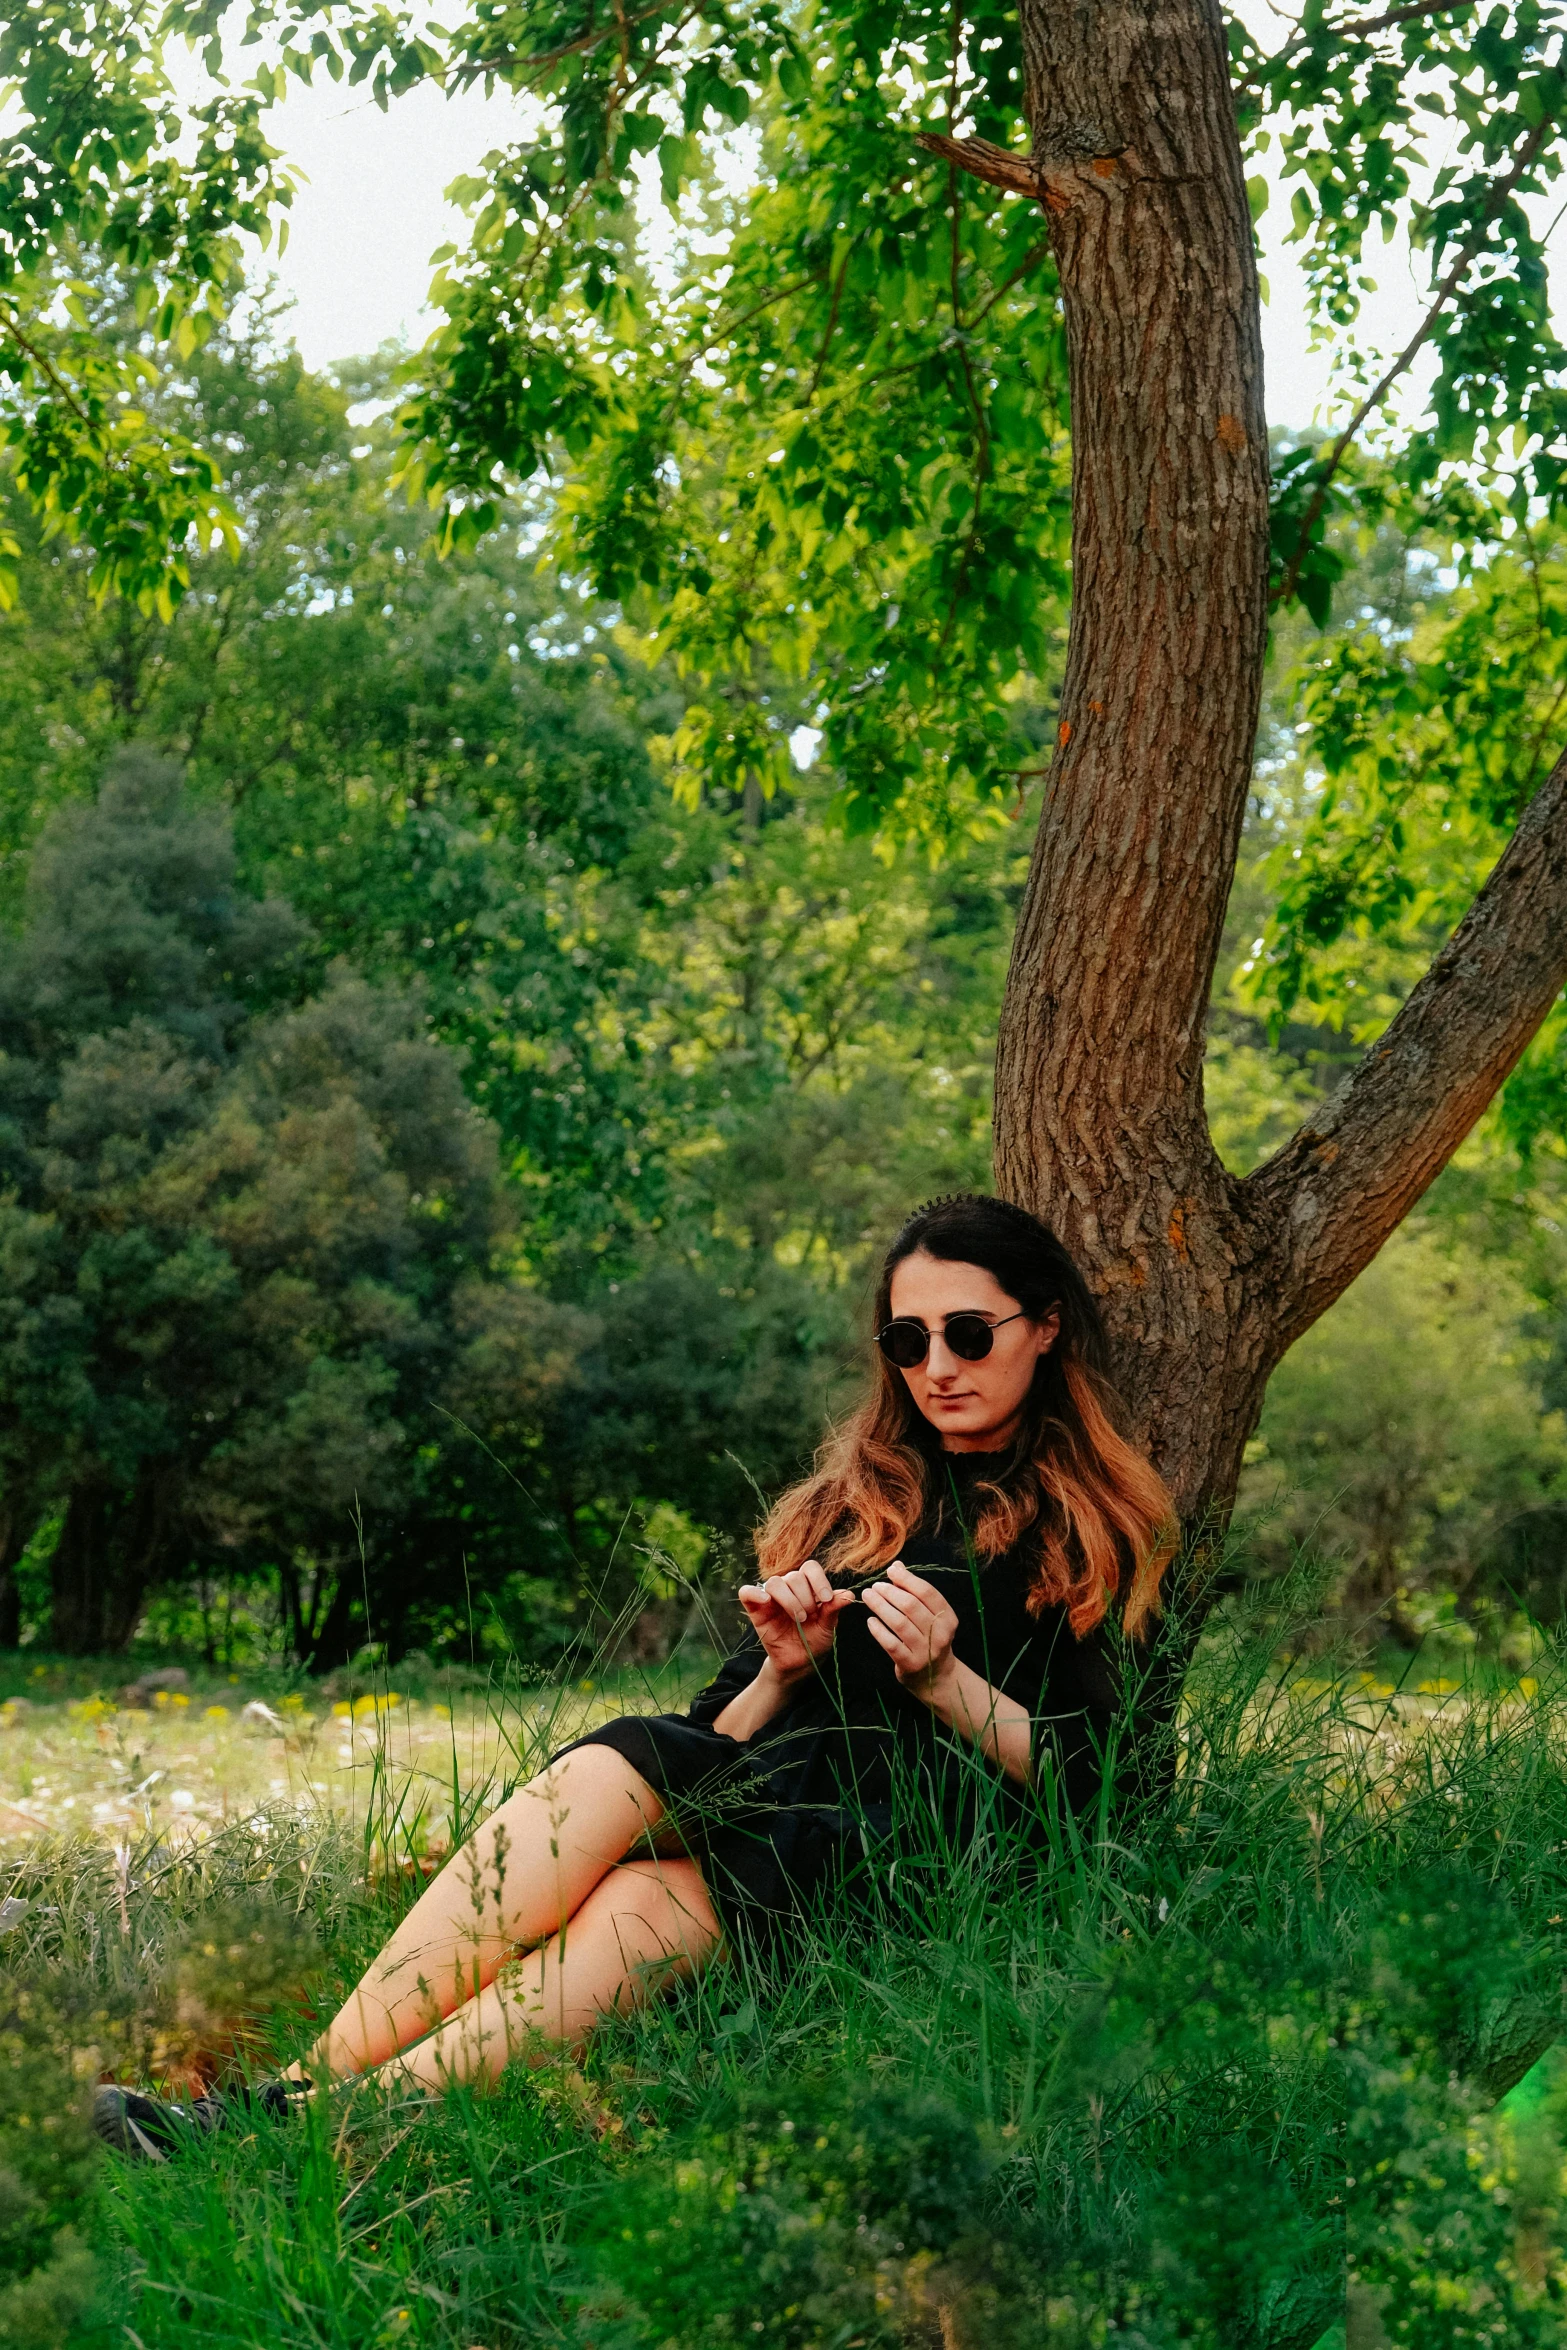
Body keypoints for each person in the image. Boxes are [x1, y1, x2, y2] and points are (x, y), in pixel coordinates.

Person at [96, 1192, 1174, 2151]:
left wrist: (946, 1681)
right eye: (907, 1337)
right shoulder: (853, 1501)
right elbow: (721, 1724)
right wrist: (782, 1671)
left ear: (1043, 1327)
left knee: (643, 1903)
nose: (937, 1365)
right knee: (618, 1764)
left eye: (969, 1333)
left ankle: (297, 2128)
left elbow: (1117, 1782)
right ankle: (279, 2112)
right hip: (774, 1798)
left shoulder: (1099, 1527)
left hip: (914, 1857)